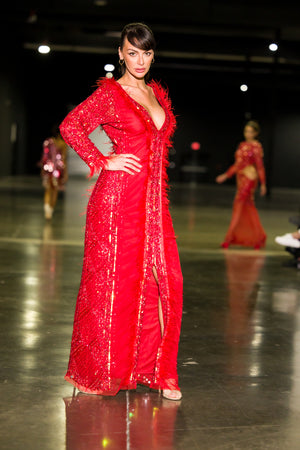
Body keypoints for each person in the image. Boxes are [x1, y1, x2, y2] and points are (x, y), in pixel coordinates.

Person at [59, 23, 183, 401]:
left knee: (164, 282)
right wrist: (103, 160)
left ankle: (155, 371)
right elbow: (71, 125)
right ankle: (94, 372)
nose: (140, 60)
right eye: (132, 52)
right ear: (120, 54)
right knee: (112, 286)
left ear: (152, 55)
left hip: (153, 205)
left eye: (146, 53)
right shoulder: (112, 94)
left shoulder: (155, 94)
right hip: (117, 202)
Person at [216, 120, 267, 249]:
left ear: (256, 133)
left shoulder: (256, 146)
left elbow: (260, 167)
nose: (247, 134)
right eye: (246, 131)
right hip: (241, 178)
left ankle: (229, 238)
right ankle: (258, 237)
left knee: (238, 205)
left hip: (250, 179)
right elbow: (237, 165)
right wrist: (226, 175)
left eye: (250, 131)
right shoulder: (242, 145)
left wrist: (263, 184)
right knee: (248, 207)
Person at [39, 125, 68, 219]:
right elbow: (64, 159)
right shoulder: (62, 144)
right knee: (55, 191)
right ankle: (50, 211)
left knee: (48, 190)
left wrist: (42, 169)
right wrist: (66, 172)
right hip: (58, 170)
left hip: (48, 169)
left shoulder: (47, 142)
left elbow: (44, 157)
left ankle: (47, 209)